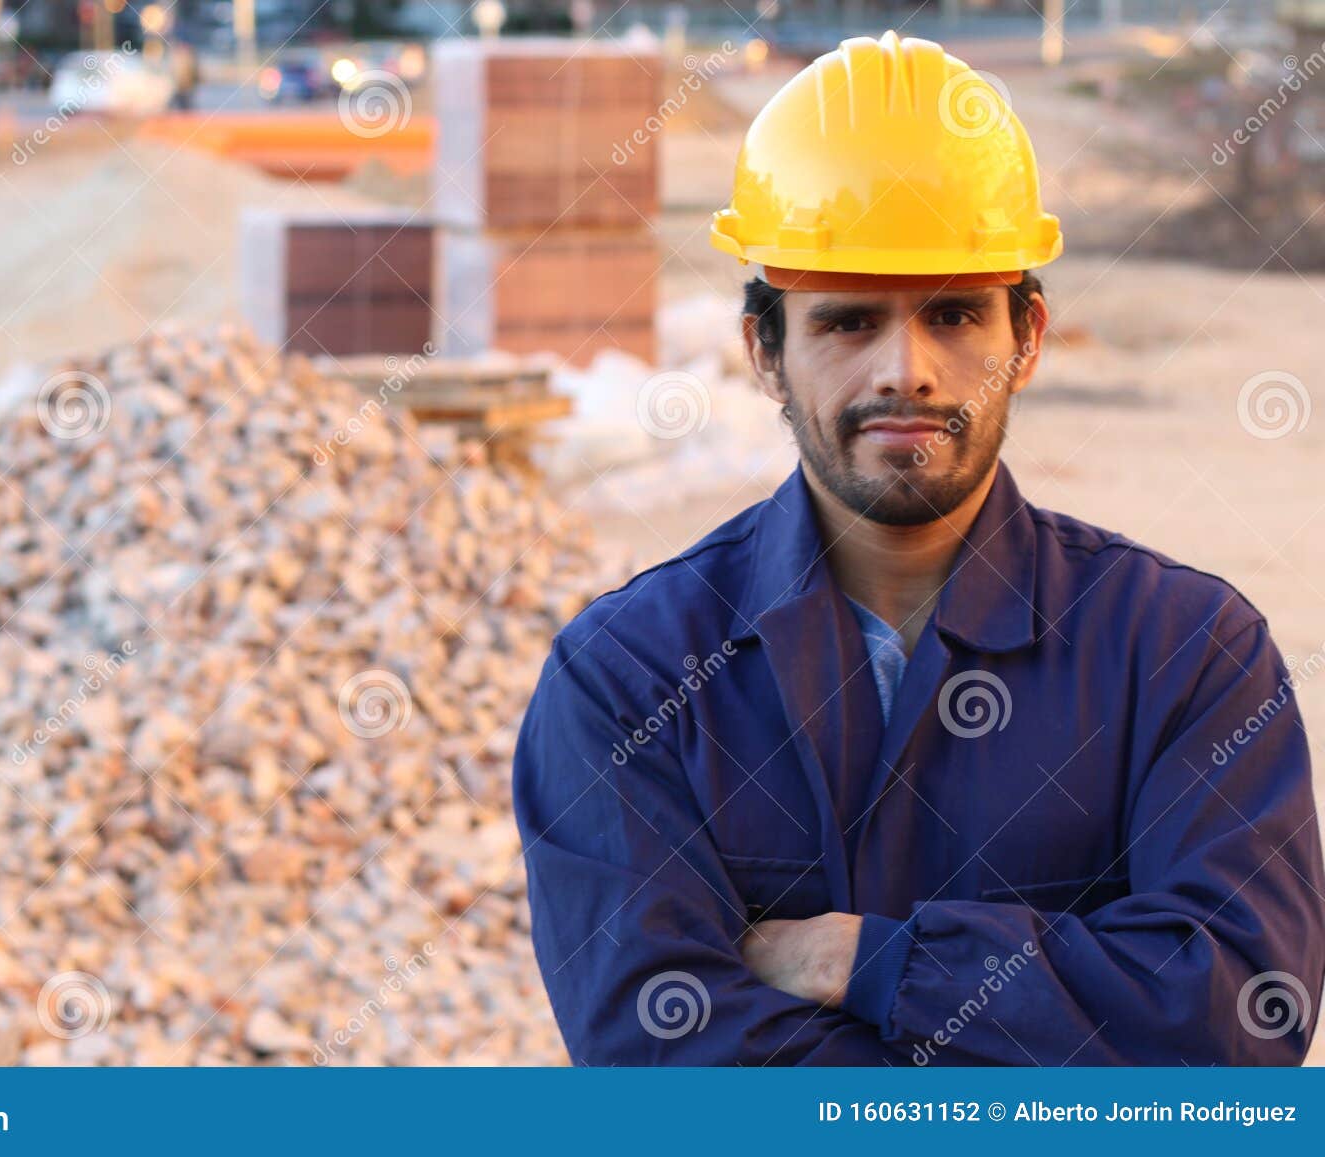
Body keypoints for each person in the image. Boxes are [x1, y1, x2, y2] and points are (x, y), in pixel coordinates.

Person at [511, 30, 1325, 1065]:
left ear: (1025, 337)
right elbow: (659, 1049)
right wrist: (1049, 1031)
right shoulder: (628, 678)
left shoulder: (1183, 653)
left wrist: (876, 961)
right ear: (764, 348)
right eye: (849, 322)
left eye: (952, 314)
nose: (909, 370)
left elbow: (1234, 1017)